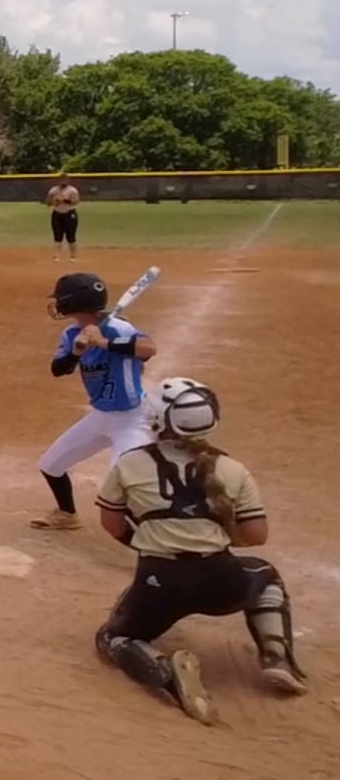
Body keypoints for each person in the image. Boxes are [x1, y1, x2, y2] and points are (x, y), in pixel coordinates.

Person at [93, 377, 309, 724]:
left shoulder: (130, 464)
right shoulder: (232, 469)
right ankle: (275, 656)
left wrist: (148, 543)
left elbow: (112, 523)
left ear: (160, 420)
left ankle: (165, 671)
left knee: (114, 636)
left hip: (159, 581)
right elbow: (256, 534)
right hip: (221, 580)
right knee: (265, 575)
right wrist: (212, 536)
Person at [32, 272, 157, 530]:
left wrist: (103, 342)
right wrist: (76, 352)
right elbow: (58, 369)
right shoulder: (71, 334)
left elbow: (148, 349)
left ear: (73, 302)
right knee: (50, 465)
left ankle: (161, 535)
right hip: (101, 416)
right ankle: (67, 515)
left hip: (132, 420)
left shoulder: (119, 328)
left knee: (125, 484)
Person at [48, 173, 81, 261]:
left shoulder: (72, 190)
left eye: (65, 180)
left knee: (71, 236)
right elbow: (48, 202)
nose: (63, 182)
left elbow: (76, 201)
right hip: (57, 214)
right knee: (57, 236)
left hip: (70, 214)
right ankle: (56, 255)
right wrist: (54, 201)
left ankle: (73, 255)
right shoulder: (53, 190)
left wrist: (64, 200)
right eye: (61, 180)